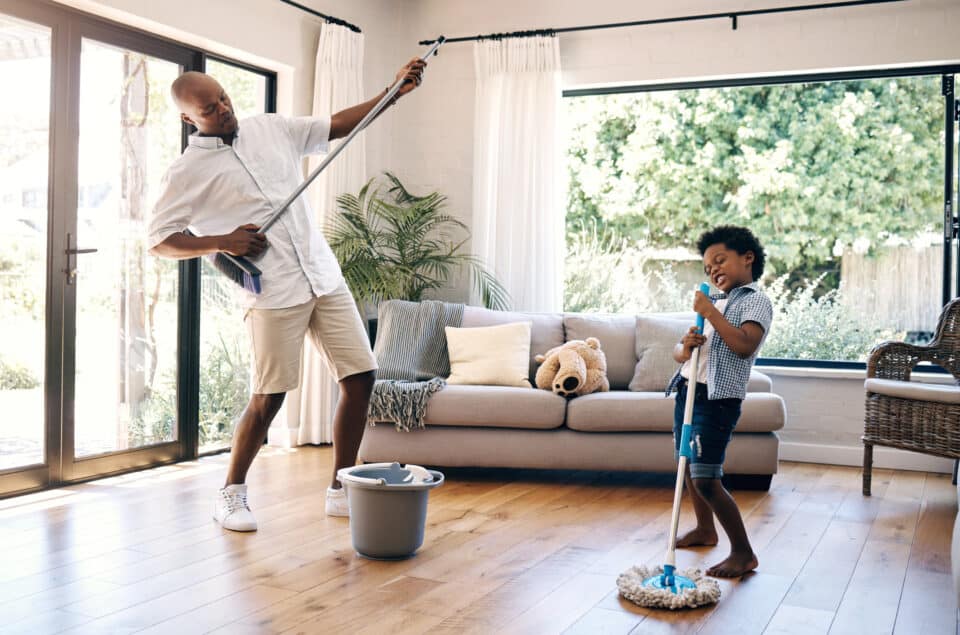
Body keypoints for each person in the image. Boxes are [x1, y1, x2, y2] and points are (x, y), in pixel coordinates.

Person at [147, 59, 426, 532]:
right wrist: (222, 241)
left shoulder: (271, 129)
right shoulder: (186, 172)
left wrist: (392, 90)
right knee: (269, 399)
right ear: (188, 118)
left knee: (361, 379)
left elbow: (337, 125)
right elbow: (159, 240)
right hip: (274, 292)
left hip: (323, 276)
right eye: (211, 110)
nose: (225, 111)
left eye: (225, 99)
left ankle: (342, 488)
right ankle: (231, 493)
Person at [666, 225, 773, 577]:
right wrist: (686, 346)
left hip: (715, 401)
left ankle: (743, 553)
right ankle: (704, 529)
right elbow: (681, 356)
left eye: (720, 260)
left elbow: (744, 345)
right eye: (708, 267)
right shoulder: (715, 303)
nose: (713, 270)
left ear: (747, 258)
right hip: (688, 391)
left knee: (706, 477)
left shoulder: (754, 301)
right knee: (687, 465)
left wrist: (711, 314)